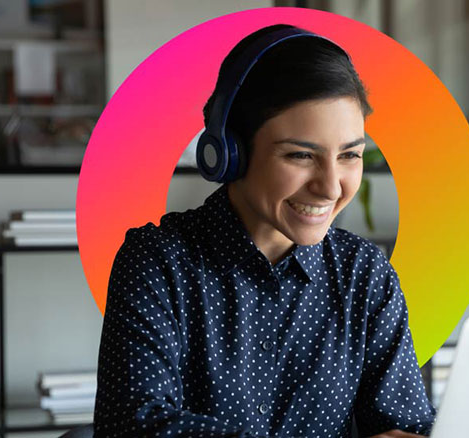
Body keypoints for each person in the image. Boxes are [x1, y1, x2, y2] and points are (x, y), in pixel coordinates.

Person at [93, 24, 436, 438]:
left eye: (349, 155)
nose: (330, 186)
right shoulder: (158, 263)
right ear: (229, 153)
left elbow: (405, 426)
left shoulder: (363, 273)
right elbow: (134, 426)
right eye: (300, 155)